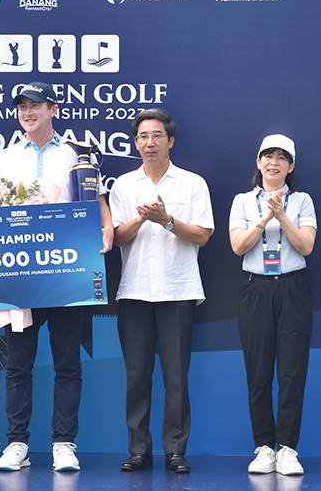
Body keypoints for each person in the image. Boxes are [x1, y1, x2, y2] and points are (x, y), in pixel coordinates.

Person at [0, 82, 113, 472]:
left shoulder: (78, 153)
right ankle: (16, 445)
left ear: (53, 109)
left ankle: (63, 443)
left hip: (67, 270)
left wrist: (106, 229)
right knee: (18, 363)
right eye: (22, 106)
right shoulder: (3, 158)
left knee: (67, 361)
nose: (28, 112)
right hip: (20, 272)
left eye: (35, 105)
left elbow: (97, 200)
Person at [111, 109, 213, 474]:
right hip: (135, 291)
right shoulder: (123, 185)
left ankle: (175, 451)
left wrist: (167, 220)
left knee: (176, 378)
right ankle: (138, 450)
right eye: (142, 136)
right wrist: (142, 217)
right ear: (135, 142)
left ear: (170, 140)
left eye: (156, 135)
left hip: (178, 289)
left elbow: (203, 234)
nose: (149, 143)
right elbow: (116, 238)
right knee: (136, 376)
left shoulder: (192, 183)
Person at [229, 134, 317, 476]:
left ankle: (288, 449)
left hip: (294, 287)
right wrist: (265, 218)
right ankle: (264, 447)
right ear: (258, 162)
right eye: (268, 156)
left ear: (291, 166)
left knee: (293, 372)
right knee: (259, 372)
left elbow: (306, 246)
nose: (274, 162)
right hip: (255, 289)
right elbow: (238, 246)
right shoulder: (242, 201)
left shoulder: (303, 201)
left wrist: (283, 216)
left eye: (282, 158)